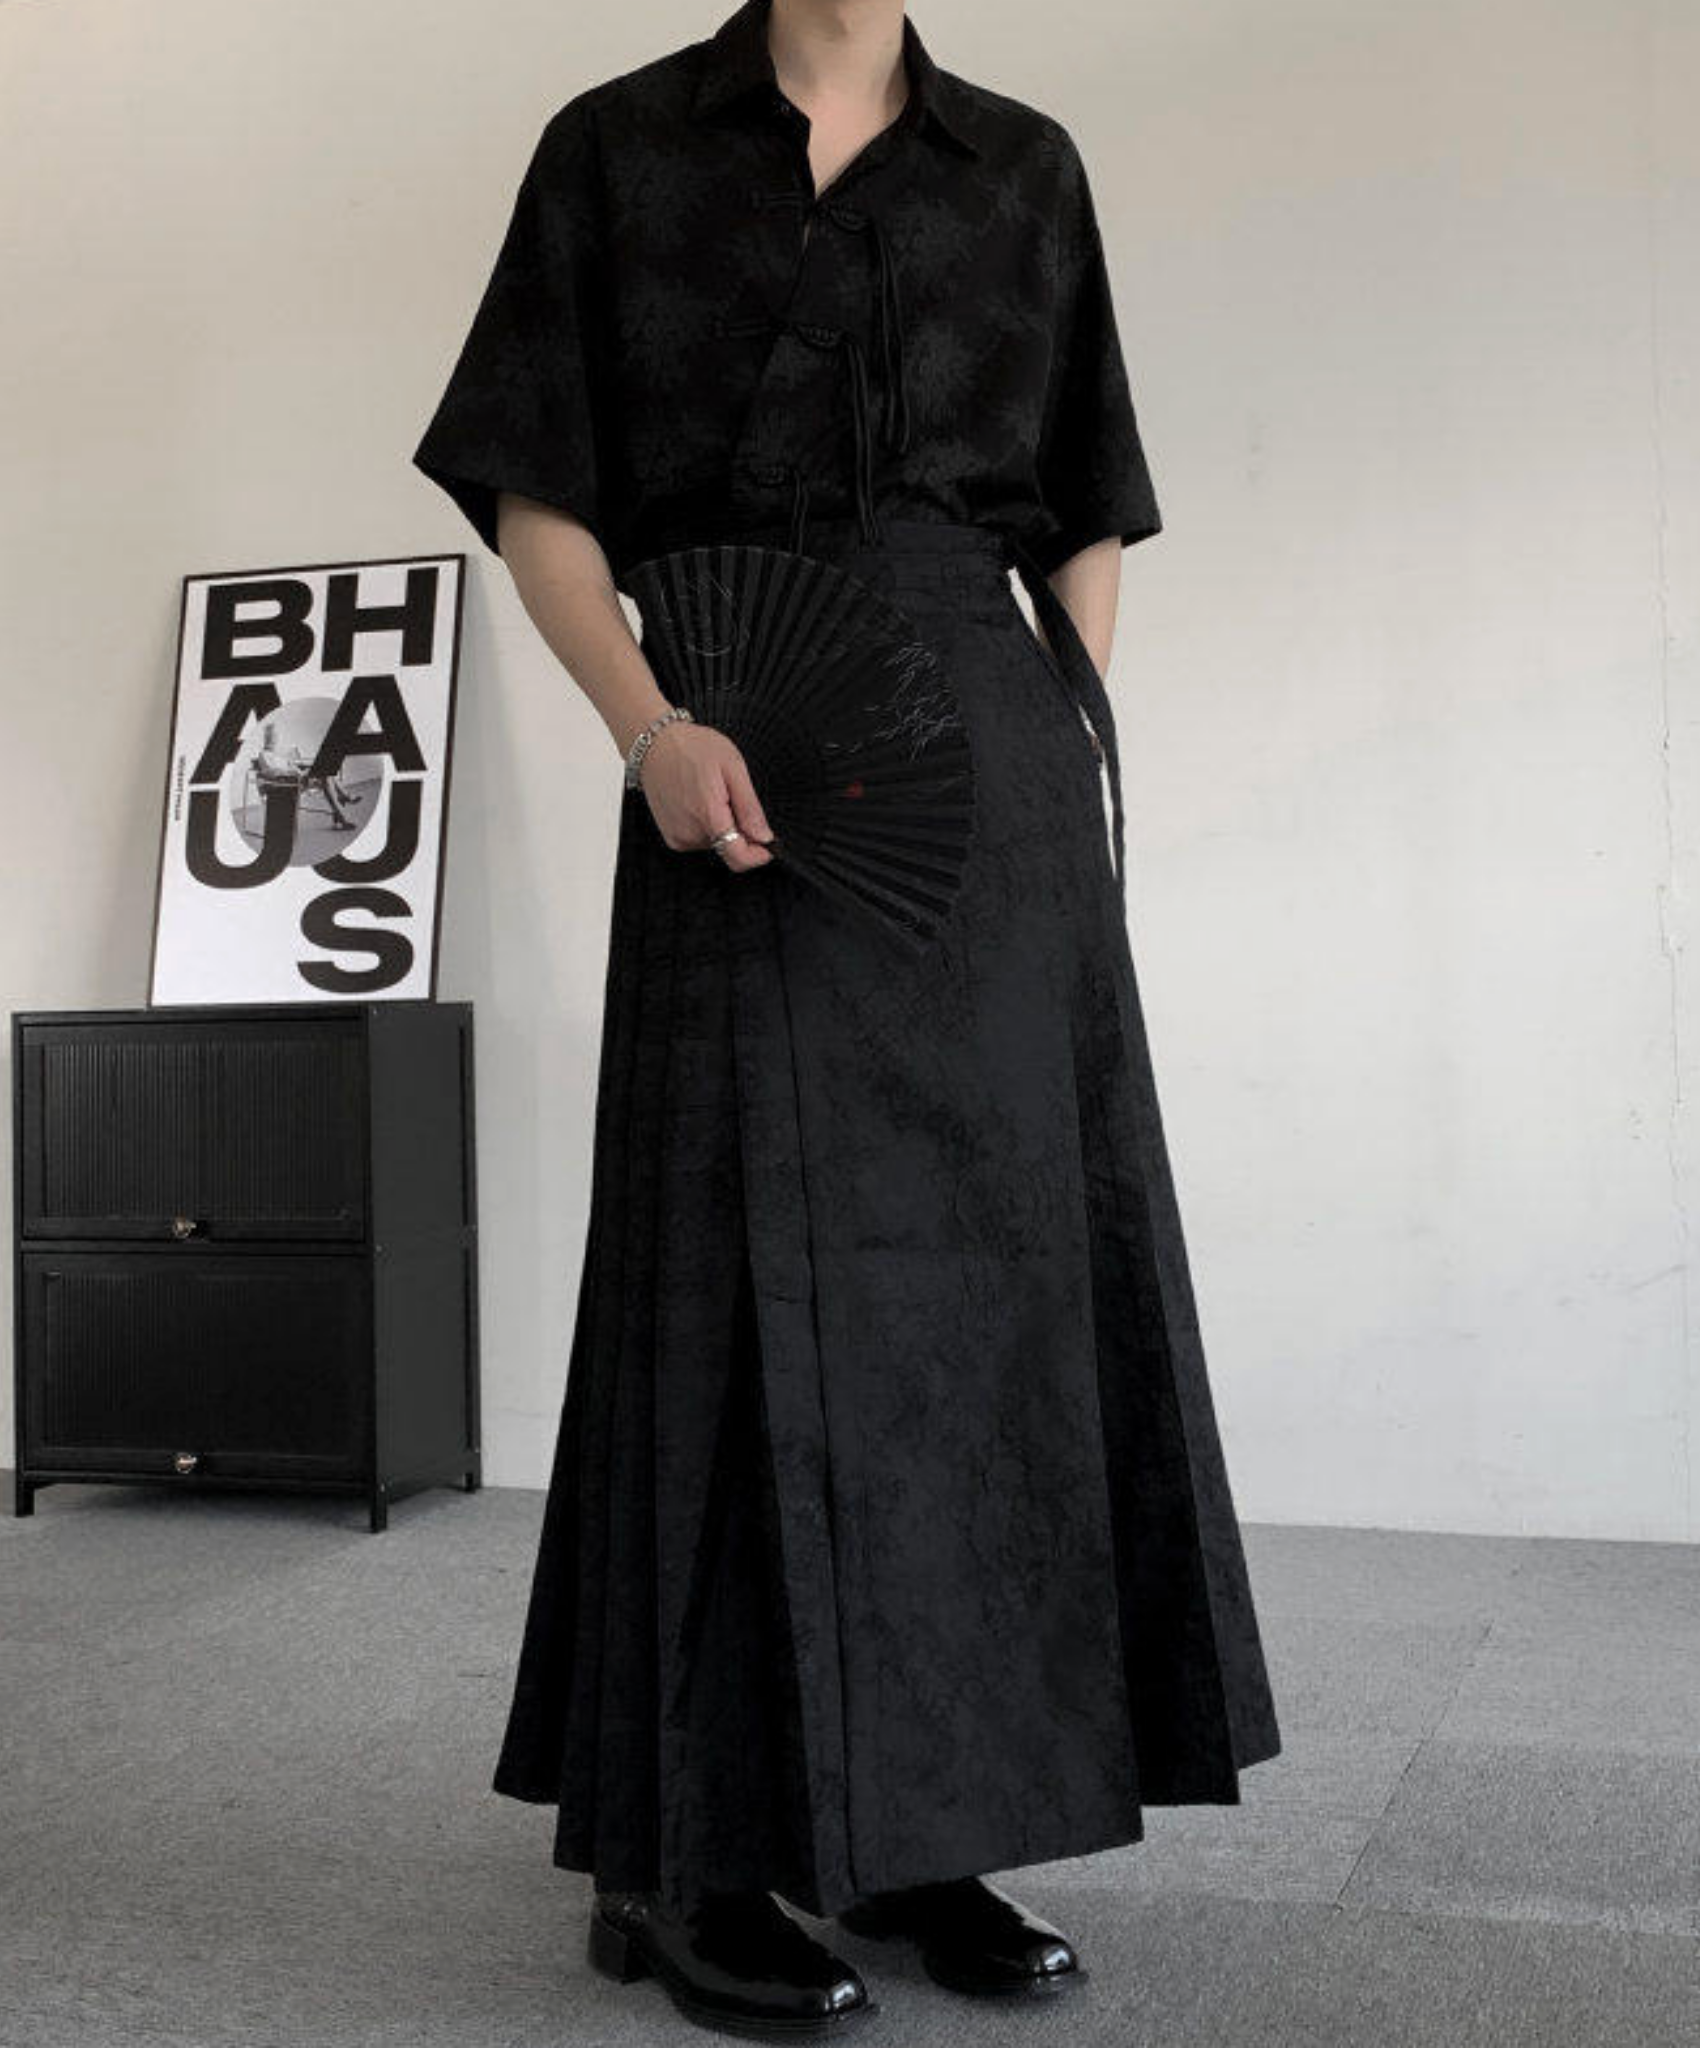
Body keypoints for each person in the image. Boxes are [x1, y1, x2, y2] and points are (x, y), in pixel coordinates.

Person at [412, 1, 1281, 2036]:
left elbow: (1082, 504)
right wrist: (648, 729)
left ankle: (919, 1823)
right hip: (723, 758)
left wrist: (1046, 747)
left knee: (974, 1299)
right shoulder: (617, 147)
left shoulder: (1022, 168)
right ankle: (683, 1857)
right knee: (724, 1293)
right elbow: (540, 495)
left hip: (983, 799)